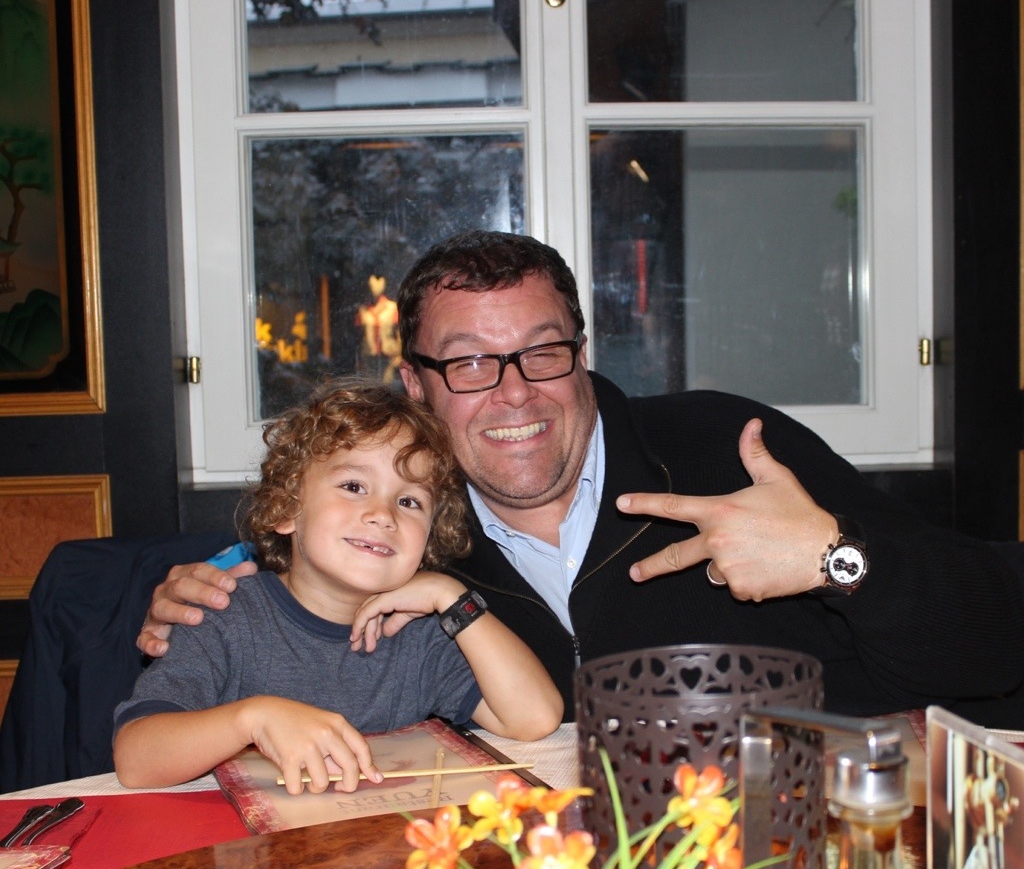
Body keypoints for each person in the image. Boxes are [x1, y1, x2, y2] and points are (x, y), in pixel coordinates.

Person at [138, 232, 1024, 727]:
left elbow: (1000, 634)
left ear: (582, 355)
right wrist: (207, 591)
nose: (514, 392)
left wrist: (839, 559)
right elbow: (289, 606)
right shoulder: (403, 534)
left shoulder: (725, 447)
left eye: (542, 352)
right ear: (414, 386)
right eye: (469, 363)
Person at [115, 379, 562, 794]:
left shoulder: (417, 636)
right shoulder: (227, 619)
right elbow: (135, 759)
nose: (383, 514)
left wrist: (450, 597)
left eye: (409, 501)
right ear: (285, 509)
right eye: (353, 485)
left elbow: (535, 718)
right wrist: (252, 719)